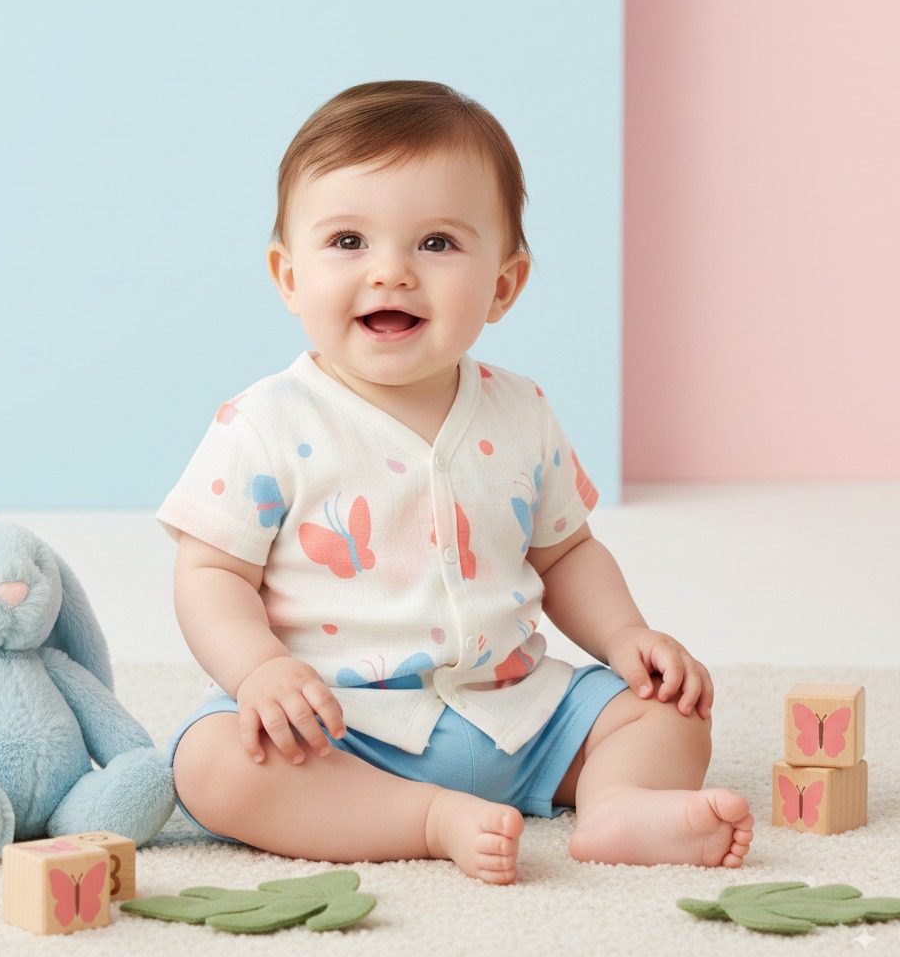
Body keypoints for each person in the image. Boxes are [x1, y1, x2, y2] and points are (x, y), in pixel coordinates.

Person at [158, 80, 753, 884]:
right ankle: (427, 820)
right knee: (212, 762)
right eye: (347, 242)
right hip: (339, 728)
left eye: (436, 243)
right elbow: (211, 572)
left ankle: (618, 804)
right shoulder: (264, 423)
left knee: (671, 712)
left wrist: (626, 639)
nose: (391, 272)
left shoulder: (521, 410)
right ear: (288, 275)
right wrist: (258, 671)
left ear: (504, 285)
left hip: (518, 711)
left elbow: (568, 553)